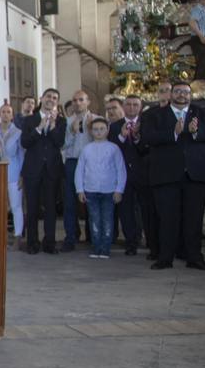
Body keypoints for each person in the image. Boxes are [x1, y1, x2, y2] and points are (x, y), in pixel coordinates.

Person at [140, 80, 205, 270]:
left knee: (194, 219)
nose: (182, 95)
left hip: (196, 175)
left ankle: (194, 258)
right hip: (166, 175)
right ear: (171, 95)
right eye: (177, 92)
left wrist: (195, 132)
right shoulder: (155, 115)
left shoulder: (202, 113)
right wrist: (173, 133)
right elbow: (147, 137)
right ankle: (165, 258)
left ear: (191, 95)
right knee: (168, 219)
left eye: (185, 92)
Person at [19, 88, 67, 254]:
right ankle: (32, 243)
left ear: (57, 102)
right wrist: (39, 128)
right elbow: (25, 142)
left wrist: (52, 126)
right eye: (48, 96)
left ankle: (50, 243)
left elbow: (59, 142)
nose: (51, 100)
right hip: (33, 169)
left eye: (55, 98)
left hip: (52, 170)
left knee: (51, 209)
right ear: (41, 98)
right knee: (32, 208)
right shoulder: (30, 120)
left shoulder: (61, 121)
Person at [75, 117, 127, 258]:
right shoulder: (86, 149)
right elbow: (79, 170)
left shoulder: (114, 148)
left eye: (102, 129)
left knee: (107, 220)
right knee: (94, 220)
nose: (99, 132)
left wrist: (119, 190)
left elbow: (120, 169)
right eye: (96, 129)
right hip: (90, 190)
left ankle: (105, 248)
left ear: (107, 130)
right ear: (91, 131)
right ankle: (96, 247)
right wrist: (80, 189)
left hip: (109, 190)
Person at [109, 95, 150, 257]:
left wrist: (138, 137)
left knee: (145, 209)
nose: (132, 108)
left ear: (140, 107)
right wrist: (122, 136)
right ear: (123, 107)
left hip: (143, 173)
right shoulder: (115, 126)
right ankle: (131, 242)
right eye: (128, 105)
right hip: (123, 174)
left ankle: (149, 240)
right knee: (126, 210)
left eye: (135, 105)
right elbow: (111, 148)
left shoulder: (146, 124)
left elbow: (148, 147)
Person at [0, 102, 25, 249]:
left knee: (16, 205)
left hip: (13, 172)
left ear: (12, 115)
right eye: (3, 111)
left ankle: (17, 236)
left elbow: (22, 154)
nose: (5, 114)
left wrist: (22, 174)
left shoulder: (18, 133)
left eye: (8, 112)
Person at [61, 90, 92, 250]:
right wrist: (72, 132)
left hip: (91, 164)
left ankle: (93, 236)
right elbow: (63, 145)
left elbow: (102, 142)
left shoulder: (96, 119)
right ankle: (71, 237)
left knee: (92, 199)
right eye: (75, 100)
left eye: (81, 100)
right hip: (72, 162)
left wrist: (92, 130)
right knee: (70, 201)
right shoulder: (67, 122)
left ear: (88, 102)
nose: (78, 103)